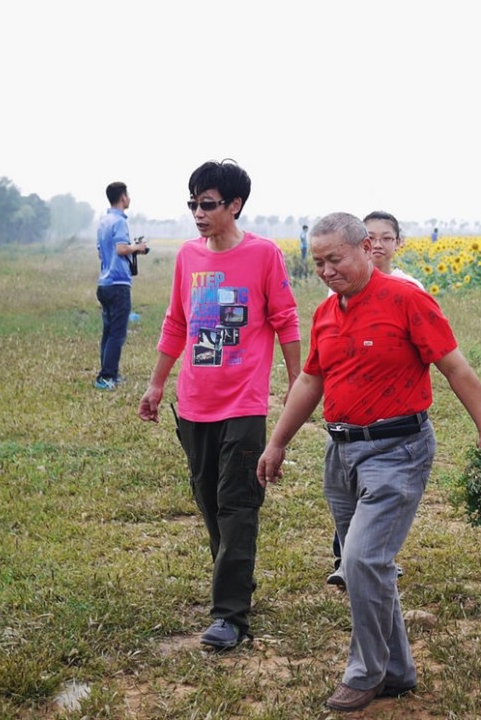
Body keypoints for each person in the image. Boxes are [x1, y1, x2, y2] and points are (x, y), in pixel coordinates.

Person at [256, 212, 481, 713]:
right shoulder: (327, 313)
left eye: (334, 259)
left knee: (362, 559)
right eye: (318, 262)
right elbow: (309, 382)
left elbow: (454, 366)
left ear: (366, 248)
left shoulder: (407, 299)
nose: (325, 270)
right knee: (369, 566)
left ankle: (365, 673)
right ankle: (398, 670)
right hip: (340, 452)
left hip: (397, 451)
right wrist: (277, 442)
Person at [137, 160, 301, 650]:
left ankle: (230, 614)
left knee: (237, 504)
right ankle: (235, 583)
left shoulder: (264, 254)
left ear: (235, 205)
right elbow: (175, 324)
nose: (198, 213)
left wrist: (298, 380)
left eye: (207, 204)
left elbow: (285, 319)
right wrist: (156, 384)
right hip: (194, 404)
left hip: (244, 405)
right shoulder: (188, 257)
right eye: (192, 203)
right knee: (209, 501)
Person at [326, 210, 423, 588]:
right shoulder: (339, 291)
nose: (379, 244)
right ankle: (345, 558)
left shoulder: (409, 290)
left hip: (392, 421)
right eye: (372, 237)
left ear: (398, 244)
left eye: (387, 238)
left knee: (382, 493)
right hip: (348, 419)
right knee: (347, 490)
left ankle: (377, 558)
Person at [95, 181, 147, 390]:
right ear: (122, 197)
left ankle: (110, 373)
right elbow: (121, 249)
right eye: (128, 194)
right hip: (118, 283)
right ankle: (106, 376)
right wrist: (139, 248)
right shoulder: (119, 222)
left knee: (108, 332)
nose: (129, 198)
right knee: (118, 333)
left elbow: (101, 252)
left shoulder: (102, 221)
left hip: (104, 283)